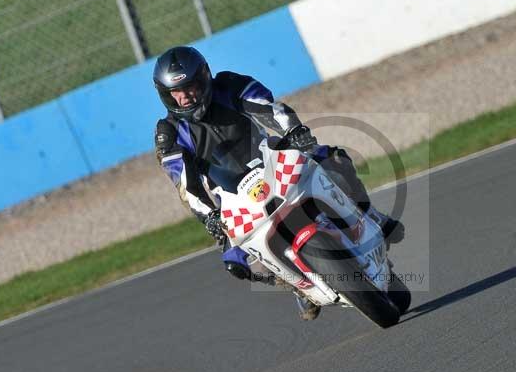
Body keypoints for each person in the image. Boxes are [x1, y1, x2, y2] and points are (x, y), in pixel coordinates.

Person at [153, 46, 404, 320]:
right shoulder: (169, 132)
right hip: (232, 195)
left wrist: (294, 131)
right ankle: (295, 285)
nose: (186, 96)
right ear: (165, 95)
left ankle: (370, 215)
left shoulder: (228, 85)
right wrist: (209, 217)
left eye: (191, 86)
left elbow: (269, 109)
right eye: (176, 92)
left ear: (205, 78)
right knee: (237, 263)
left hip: (272, 160)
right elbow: (186, 184)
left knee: (334, 160)